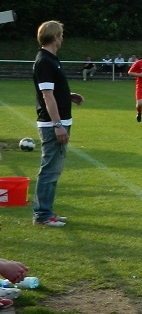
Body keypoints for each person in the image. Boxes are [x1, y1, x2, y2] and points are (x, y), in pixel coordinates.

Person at [32, 20, 84, 228]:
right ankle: (42, 215)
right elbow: (46, 95)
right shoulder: (44, 61)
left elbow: (52, 91)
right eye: (61, 35)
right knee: (49, 170)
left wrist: (68, 96)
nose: (62, 38)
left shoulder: (51, 59)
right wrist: (57, 125)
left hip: (59, 121)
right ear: (54, 37)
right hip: (52, 124)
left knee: (53, 171)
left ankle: (47, 211)